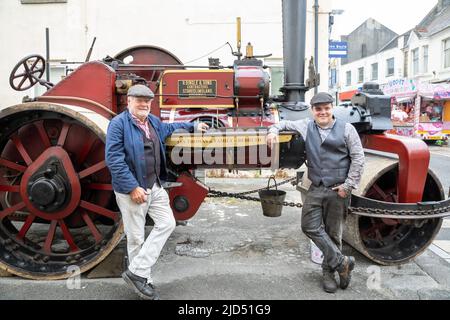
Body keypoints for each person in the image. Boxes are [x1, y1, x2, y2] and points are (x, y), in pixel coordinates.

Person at [105, 84, 209, 299]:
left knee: (167, 223)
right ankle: (144, 282)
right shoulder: (118, 124)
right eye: (139, 100)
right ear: (129, 101)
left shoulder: (152, 121)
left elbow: (169, 129)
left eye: (147, 101)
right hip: (133, 189)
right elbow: (114, 159)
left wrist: (193, 126)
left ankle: (136, 272)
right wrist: (132, 187)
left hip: (155, 185)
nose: (144, 104)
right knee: (135, 238)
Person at [267, 92, 364, 293]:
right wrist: (272, 131)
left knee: (334, 233)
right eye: (318, 109)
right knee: (308, 226)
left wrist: (348, 186)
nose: (322, 112)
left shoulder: (347, 129)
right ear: (312, 111)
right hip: (316, 187)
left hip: (338, 191)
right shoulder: (306, 125)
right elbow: (282, 124)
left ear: (332, 108)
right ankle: (343, 263)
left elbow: (358, 159)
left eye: (326, 108)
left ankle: (329, 273)